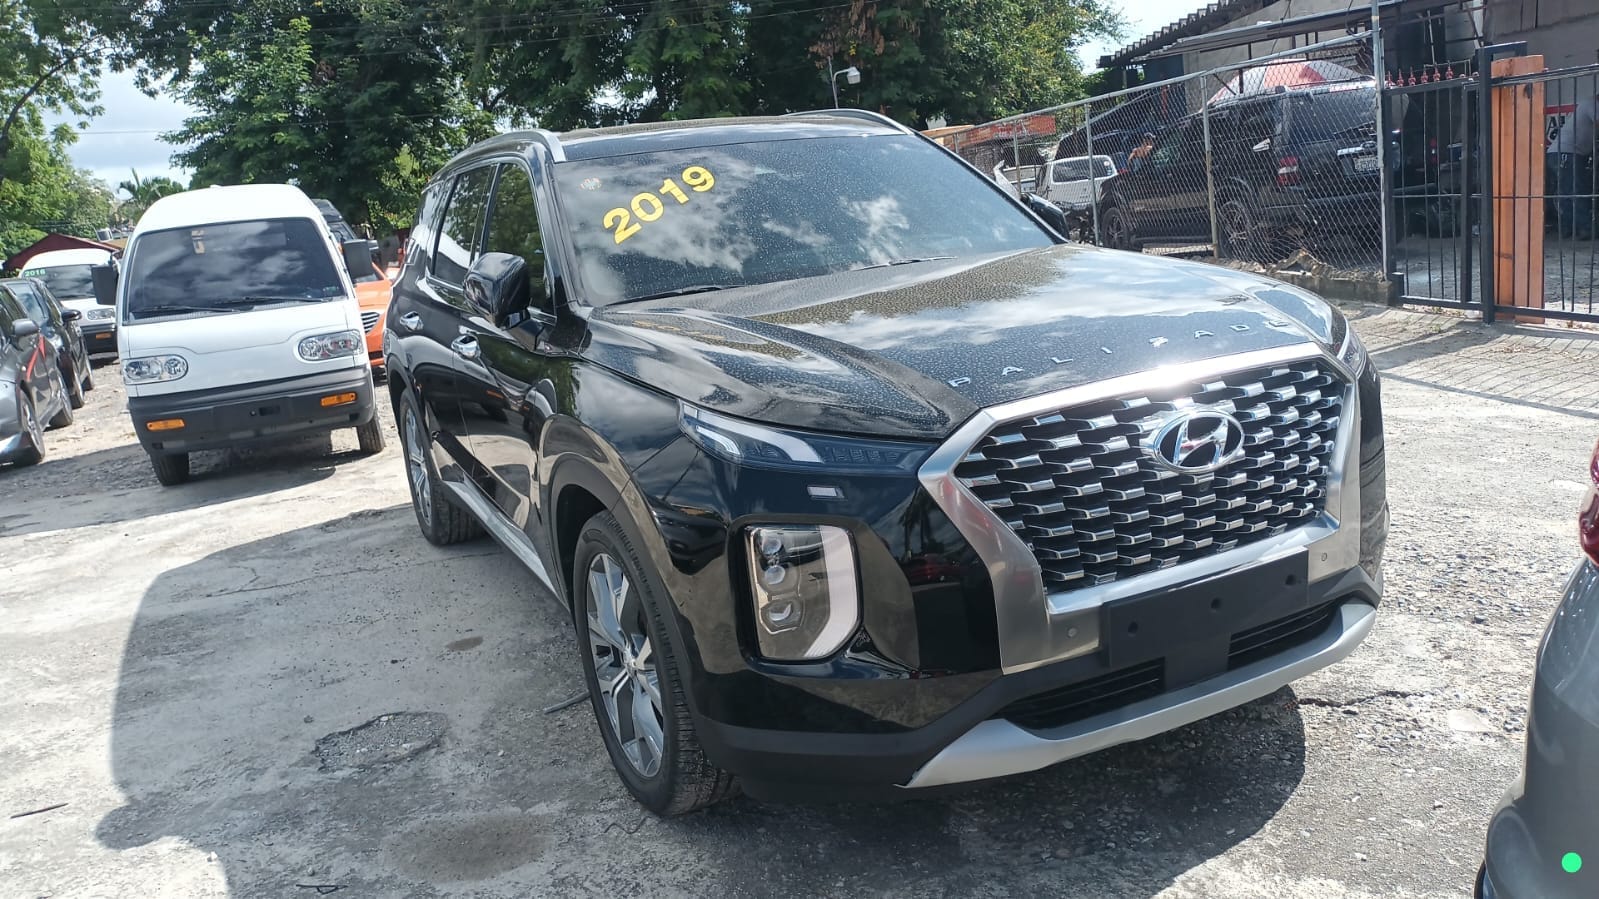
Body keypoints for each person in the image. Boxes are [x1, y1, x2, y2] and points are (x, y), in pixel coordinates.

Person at [1549, 93, 1598, 239]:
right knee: (1576, 190)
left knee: (1567, 192)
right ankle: (1585, 229)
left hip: (1560, 153)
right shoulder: (1592, 104)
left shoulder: (1586, 104)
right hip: (1567, 153)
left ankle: (1567, 228)